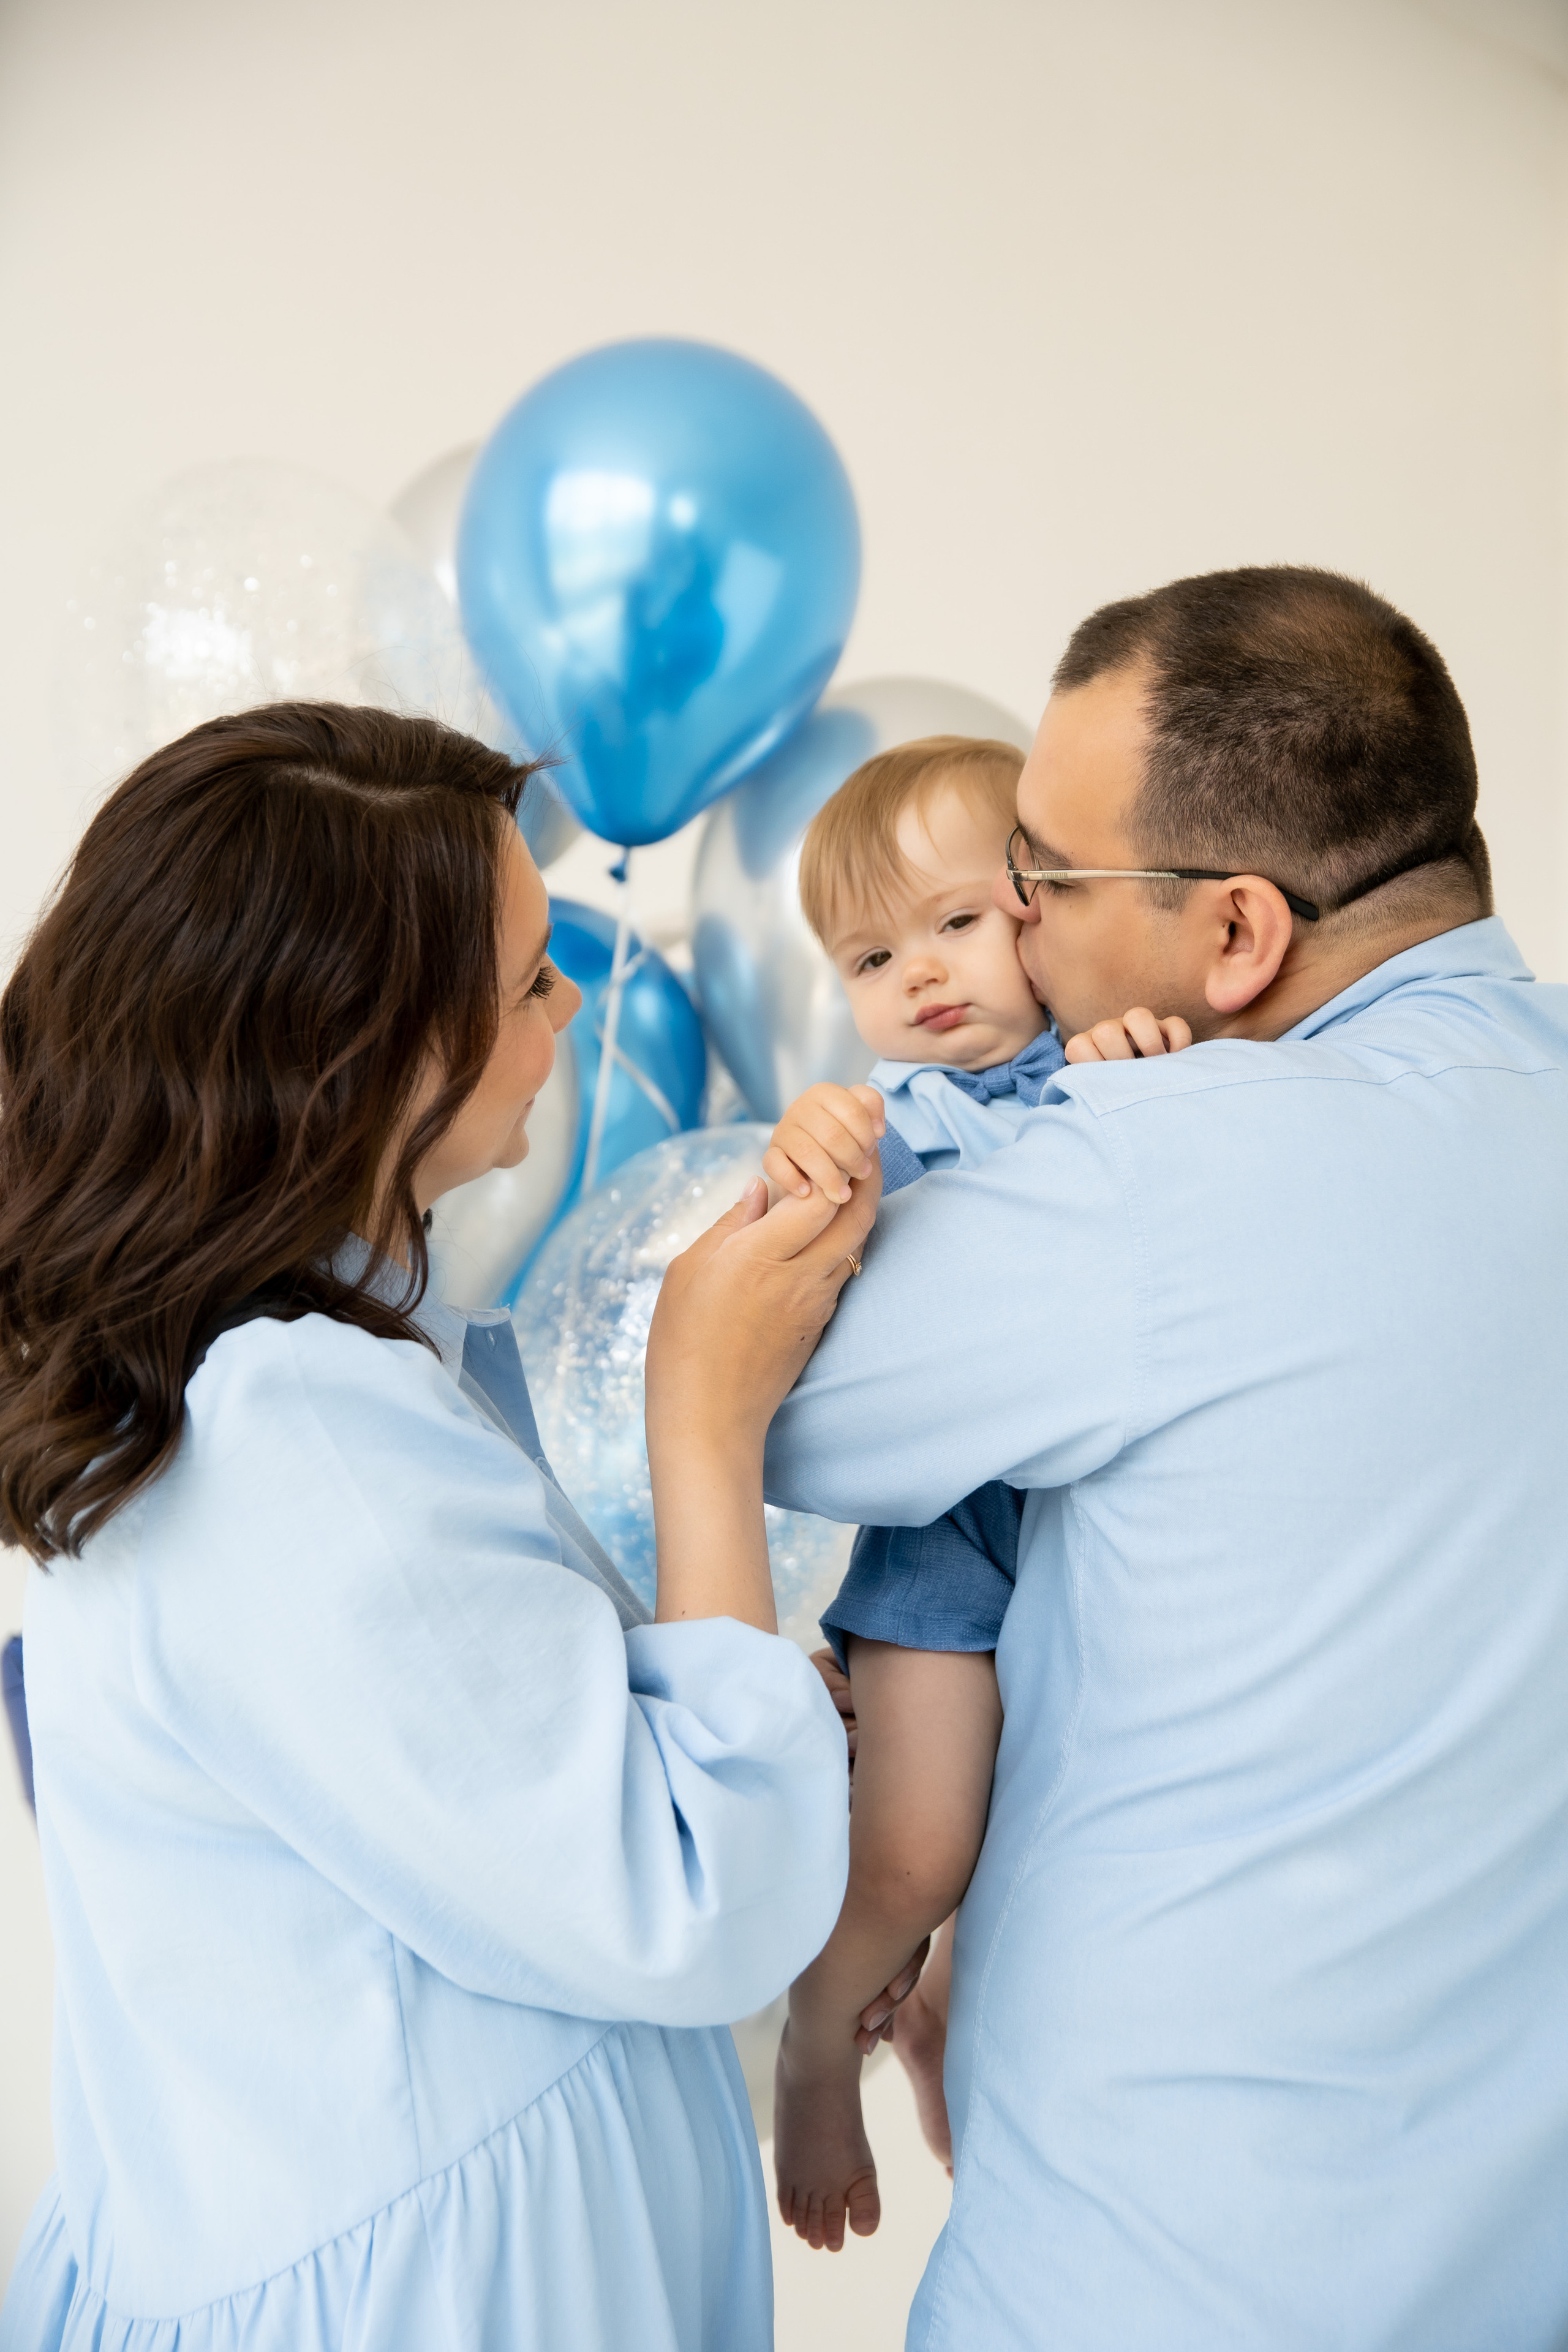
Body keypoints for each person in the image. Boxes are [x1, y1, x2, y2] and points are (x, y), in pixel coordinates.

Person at [0, 703, 875, 2352]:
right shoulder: (296, 1440)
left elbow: (491, 1770)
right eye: (532, 977)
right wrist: (705, 1417)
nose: (571, 1006)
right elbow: (695, 1901)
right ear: (373, 1049)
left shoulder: (253, 1387)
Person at [763, 567, 1568, 2348]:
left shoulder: (1160, 1166)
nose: (1017, 932)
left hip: (1165, 2277)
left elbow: (763, 1394)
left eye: (1040, 882)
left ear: (1237, 938)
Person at [758, 736, 1189, 2246]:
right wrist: (804, 1163)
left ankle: (939, 2011)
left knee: (1050, 1846)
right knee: (922, 1845)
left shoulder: (1134, 1050)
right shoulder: (897, 1120)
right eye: (870, 954)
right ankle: (820, 2040)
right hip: (949, 1542)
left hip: (1101, 1528)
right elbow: (791, 1323)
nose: (921, 976)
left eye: (955, 920)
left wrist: (1159, 1077)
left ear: (1048, 900)